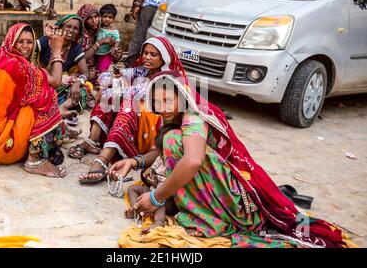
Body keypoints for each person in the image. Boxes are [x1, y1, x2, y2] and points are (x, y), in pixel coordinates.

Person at [109, 72, 351, 248]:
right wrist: (134, 162)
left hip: (238, 203)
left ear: (182, 97)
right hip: (229, 191)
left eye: (167, 101)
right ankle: (201, 210)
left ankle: (207, 218)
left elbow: (192, 160)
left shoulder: (194, 116)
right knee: (169, 140)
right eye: (157, 103)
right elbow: (161, 153)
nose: (162, 108)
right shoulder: (175, 115)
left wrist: (156, 196)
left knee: (172, 140)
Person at [69, 36, 187, 185]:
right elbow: (105, 77)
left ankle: (104, 159)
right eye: (145, 53)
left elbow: (135, 92)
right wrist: (114, 79)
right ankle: (93, 140)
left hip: (154, 124)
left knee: (126, 105)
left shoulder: (165, 77)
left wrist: (109, 90)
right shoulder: (143, 71)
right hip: (138, 114)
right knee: (114, 97)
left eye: (153, 54)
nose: (147, 57)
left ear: (164, 58)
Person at [0, 23, 70, 178]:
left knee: (39, 91)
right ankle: (35, 160)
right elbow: (56, 81)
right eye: (21, 41)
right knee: (47, 97)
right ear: (12, 41)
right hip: (4, 146)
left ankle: (58, 133)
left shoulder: (3, 58)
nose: (25, 46)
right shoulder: (19, 67)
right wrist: (57, 51)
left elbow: (43, 74)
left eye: (30, 42)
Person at [33, 14, 91, 122]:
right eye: (68, 26)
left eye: (75, 28)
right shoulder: (46, 41)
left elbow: (85, 73)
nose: (71, 30)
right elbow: (28, 51)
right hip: (43, 82)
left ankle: (62, 108)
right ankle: (55, 107)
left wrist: (77, 84)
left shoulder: (75, 49)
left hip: (58, 84)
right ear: (61, 28)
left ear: (78, 33)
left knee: (83, 90)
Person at [125, 123, 179, 234]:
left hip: (166, 198)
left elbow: (172, 187)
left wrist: (156, 188)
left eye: (165, 153)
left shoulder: (177, 164)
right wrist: (149, 172)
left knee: (159, 200)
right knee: (132, 188)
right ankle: (136, 209)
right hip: (152, 190)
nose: (162, 156)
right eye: (161, 153)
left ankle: (159, 221)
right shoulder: (160, 158)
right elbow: (153, 168)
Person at [77, 4, 122, 87]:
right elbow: (81, 58)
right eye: (89, 18)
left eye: (96, 16)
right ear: (83, 20)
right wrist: (100, 42)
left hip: (99, 66)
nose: (94, 21)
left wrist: (117, 53)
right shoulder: (80, 37)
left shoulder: (100, 32)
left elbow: (111, 54)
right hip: (82, 69)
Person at [95, 3, 121, 73]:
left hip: (107, 53)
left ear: (113, 19)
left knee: (102, 70)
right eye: (105, 16)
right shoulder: (97, 27)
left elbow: (117, 40)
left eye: (110, 17)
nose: (107, 19)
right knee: (95, 69)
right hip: (95, 53)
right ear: (100, 17)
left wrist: (114, 48)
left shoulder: (114, 31)